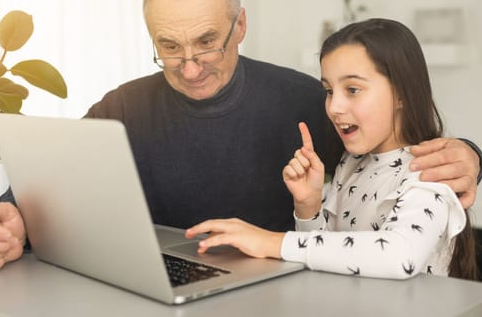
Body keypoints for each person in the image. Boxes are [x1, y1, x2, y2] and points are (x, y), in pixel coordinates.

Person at [0, 0, 481, 273]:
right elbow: (50, 182)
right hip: (164, 288)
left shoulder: (308, 102)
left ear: (241, 27)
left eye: (207, 42)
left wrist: (471, 155)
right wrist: (14, 220)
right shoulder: (123, 106)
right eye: (169, 47)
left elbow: (391, 154)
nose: (189, 67)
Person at [186, 18, 478, 280]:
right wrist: (308, 206)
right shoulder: (352, 163)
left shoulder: (431, 171)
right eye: (329, 91)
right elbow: (328, 259)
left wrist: (270, 242)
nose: (334, 107)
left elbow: (399, 256)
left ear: (401, 93)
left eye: (352, 89)